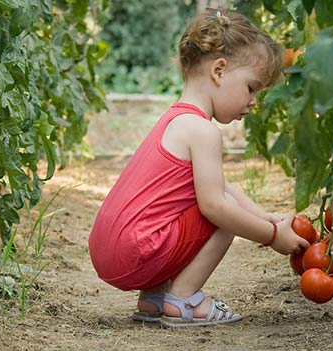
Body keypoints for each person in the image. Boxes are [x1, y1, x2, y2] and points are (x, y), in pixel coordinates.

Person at [88, 8, 310, 328]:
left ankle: (156, 296)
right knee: (222, 212)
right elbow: (217, 205)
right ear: (219, 71)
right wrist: (272, 235)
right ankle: (184, 299)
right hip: (137, 252)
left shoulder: (176, 120)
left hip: (111, 250)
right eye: (251, 88)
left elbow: (224, 189)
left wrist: (265, 217)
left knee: (218, 202)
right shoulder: (203, 131)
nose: (253, 102)